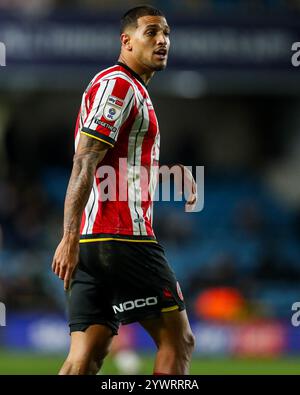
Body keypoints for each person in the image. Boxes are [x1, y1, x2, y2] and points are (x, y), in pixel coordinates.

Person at [52, 5, 197, 375]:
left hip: (92, 245)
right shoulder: (118, 84)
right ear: (126, 41)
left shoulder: (133, 89)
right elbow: (84, 161)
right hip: (122, 239)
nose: (162, 40)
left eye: (167, 34)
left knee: (86, 355)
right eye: (151, 32)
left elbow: (111, 164)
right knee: (177, 341)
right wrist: (67, 235)